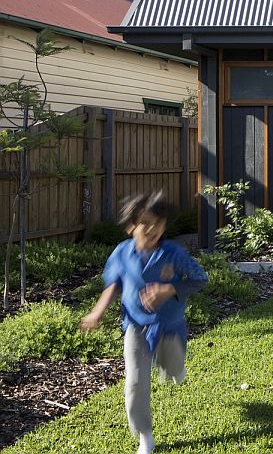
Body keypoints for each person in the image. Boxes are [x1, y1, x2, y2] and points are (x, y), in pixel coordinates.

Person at [80, 192, 208, 454]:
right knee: (135, 382)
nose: (152, 229)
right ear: (131, 227)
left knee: (173, 370)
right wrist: (97, 312)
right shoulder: (121, 253)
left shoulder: (173, 253)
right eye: (145, 223)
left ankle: (174, 368)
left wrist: (168, 290)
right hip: (135, 326)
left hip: (169, 327)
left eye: (158, 223)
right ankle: (145, 436)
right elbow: (113, 284)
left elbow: (200, 278)